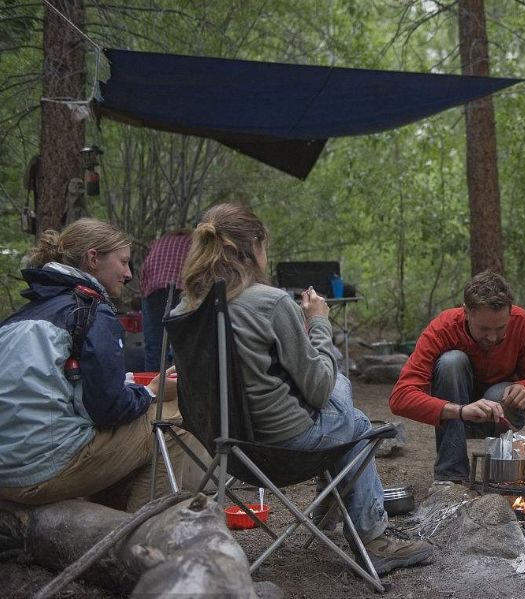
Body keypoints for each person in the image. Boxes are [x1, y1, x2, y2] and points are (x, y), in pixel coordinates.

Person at [176, 203, 432, 575]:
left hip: (224, 449)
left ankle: (330, 508)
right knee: (356, 420)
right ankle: (374, 541)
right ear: (256, 246)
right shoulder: (270, 302)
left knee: (341, 390)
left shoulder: (188, 308)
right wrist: (317, 322)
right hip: (284, 450)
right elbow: (317, 389)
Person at [0, 218, 188, 512]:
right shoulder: (89, 310)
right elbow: (108, 409)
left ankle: (104, 517)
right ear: (92, 258)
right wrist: (151, 391)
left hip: (6, 468)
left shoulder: (21, 316)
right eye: (123, 262)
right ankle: (143, 530)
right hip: (39, 471)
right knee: (172, 420)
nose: (128, 274)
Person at [389, 271, 525, 482]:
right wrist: (460, 410)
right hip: (456, 415)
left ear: (510, 312)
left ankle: (502, 477)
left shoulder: (522, 323)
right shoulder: (443, 328)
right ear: (466, 312)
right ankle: (451, 478)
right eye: (484, 329)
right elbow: (400, 397)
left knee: (499, 393)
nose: (493, 337)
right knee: (451, 361)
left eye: (501, 328)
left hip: (501, 413)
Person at [140, 230, 191, 371]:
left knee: (155, 345)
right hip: (182, 289)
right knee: (182, 343)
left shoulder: (158, 242)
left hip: (154, 289)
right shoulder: (192, 242)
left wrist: (144, 295)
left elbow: (144, 270)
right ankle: (179, 382)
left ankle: (153, 385)